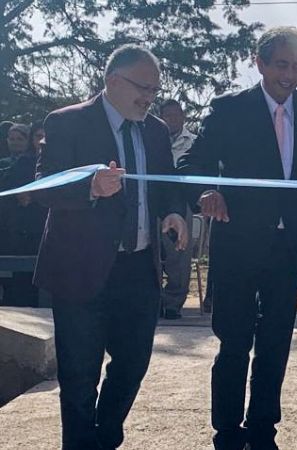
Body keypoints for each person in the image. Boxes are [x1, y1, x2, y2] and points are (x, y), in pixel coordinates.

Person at [177, 27, 297, 450]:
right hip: (238, 245)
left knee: (276, 343)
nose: (290, 75)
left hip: (289, 248)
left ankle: (263, 430)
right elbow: (193, 161)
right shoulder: (229, 109)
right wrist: (205, 193)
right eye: (282, 64)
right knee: (234, 343)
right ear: (259, 63)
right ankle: (227, 433)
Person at [33, 44, 188, 450]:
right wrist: (90, 187)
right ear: (113, 81)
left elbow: (167, 185)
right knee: (79, 375)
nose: (149, 98)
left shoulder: (155, 131)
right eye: (143, 88)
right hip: (80, 271)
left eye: (155, 90)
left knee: (133, 365)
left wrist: (173, 213)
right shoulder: (67, 122)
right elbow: (44, 187)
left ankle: (104, 438)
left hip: (138, 270)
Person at [158, 99, 197, 319]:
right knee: (150, 253)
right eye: (167, 115)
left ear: (183, 117)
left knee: (179, 253)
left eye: (176, 114)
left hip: (184, 203)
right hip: (154, 200)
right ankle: (154, 300)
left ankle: (173, 302)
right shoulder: (152, 139)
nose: (172, 119)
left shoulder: (195, 142)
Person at [0, 123, 45, 307]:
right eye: (38, 136)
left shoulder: (57, 162)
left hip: (46, 232)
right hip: (18, 234)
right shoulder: (21, 164)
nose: (41, 142)